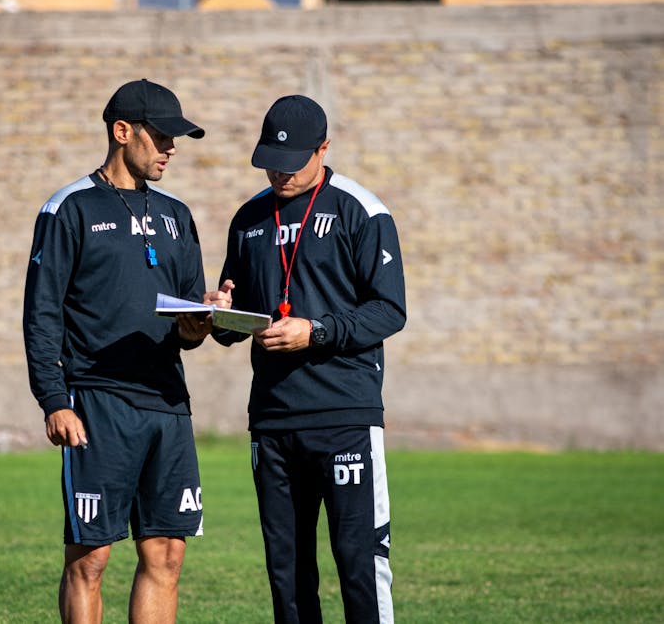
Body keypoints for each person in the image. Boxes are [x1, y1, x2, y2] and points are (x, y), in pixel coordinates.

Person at [204, 95, 406, 623]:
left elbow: (389, 311)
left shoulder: (361, 210)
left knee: (359, 562)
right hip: (271, 421)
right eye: (270, 159)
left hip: (344, 417)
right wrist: (220, 313)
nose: (279, 172)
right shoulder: (249, 218)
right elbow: (237, 320)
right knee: (287, 571)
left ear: (324, 149)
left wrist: (314, 333)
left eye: (292, 163)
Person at [23, 79, 212, 624]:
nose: (171, 148)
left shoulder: (178, 214)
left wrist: (205, 318)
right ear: (122, 132)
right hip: (98, 404)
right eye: (161, 136)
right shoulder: (69, 209)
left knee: (167, 555)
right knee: (91, 557)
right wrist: (53, 399)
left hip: (168, 405)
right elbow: (41, 315)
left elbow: (186, 326)